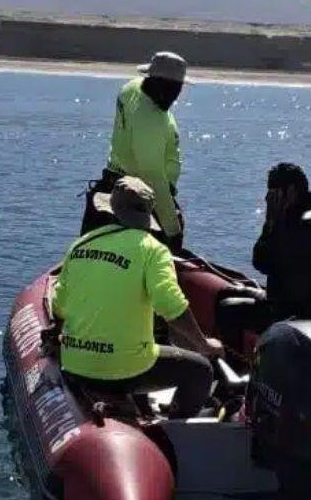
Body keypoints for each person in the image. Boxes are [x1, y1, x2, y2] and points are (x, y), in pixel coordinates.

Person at [55, 176, 223, 418]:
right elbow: (170, 305)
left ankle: (135, 406)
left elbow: (59, 305)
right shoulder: (152, 250)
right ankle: (170, 428)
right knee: (201, 371)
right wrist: (204, 344)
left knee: (141, 348)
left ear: (111, 208)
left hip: (76, 365)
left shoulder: (80, 245)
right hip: (126, 370)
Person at [215, 163, 311, 362]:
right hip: (285, 302)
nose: (266, 199)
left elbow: (262, 262)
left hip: (299, 315)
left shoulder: (306, 224)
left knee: (229, 308)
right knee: (226, 292)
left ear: (290, 191)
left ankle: (235, 370)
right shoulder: (302, 218)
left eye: (272, 192)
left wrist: (271, 222)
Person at [81, 51, 187, 248]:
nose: (176, 95)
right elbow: (152, 176)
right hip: (137, 200)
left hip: (110, 184)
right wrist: (172, 229)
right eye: (175, 89)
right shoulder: (151, 120)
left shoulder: (131, 88)